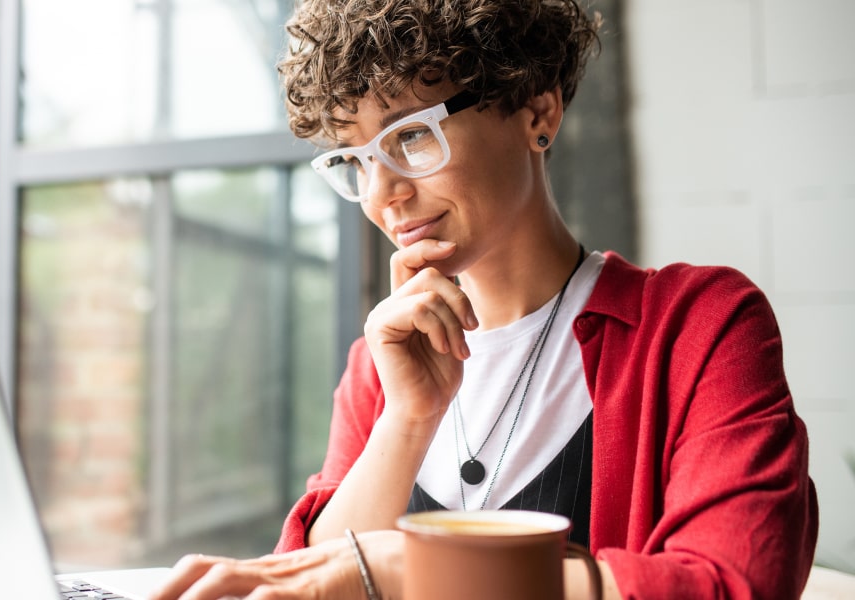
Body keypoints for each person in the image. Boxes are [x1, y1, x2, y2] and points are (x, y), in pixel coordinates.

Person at [152, 0, 818, 598]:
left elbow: (734, 582)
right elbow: (306, 586)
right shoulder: (378, 367)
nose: (383, 194)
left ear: (537, 111)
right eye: (355, 159)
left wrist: (418, 571)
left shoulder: (696, 326)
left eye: (410, 136)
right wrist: (408, 419)